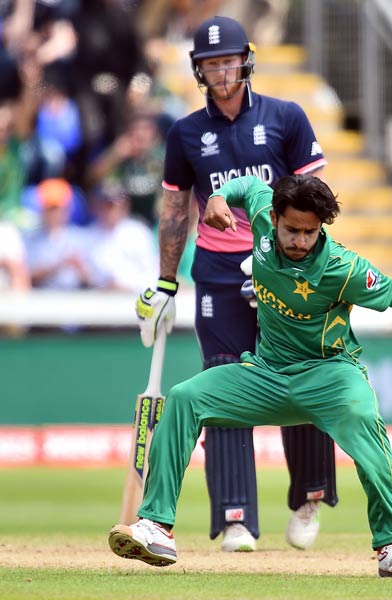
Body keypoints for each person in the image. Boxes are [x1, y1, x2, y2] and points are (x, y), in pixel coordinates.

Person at [111, 173, 392, 577]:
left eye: (311, 232)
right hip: (266, 373)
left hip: (329, 375)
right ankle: (156, 527)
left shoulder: (343, 268)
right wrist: (218, 196)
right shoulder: (261, 218)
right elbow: (246, 185)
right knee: (185, 397)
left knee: (365, 423)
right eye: (292, 230)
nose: (301, 242)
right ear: (273, 218)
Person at [134, 16, 334, 553]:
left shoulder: (286, 117)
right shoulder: (184, 132)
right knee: (222, 384)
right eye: (210, 64)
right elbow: (176, 209)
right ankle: (235, 517)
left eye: (227, 61)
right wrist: (165, 283)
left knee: (304, 376)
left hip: (285, 268)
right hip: (219, 272)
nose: (220, 72)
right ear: (198, 70)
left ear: (244, 60)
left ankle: (309, 496)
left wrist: (304, 262)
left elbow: (317, 196)